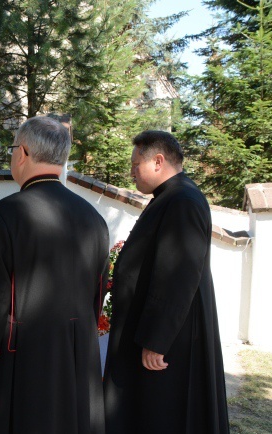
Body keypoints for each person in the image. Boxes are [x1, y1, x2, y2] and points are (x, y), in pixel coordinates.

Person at [0, 116, 109, 434]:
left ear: (21, 153)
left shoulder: (5, 215)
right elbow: (96, 300)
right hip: (77, 360)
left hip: (23, 364)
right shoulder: (95, 220)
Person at [103, 130, 230, 434]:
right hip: (152, 333)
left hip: (167, 342)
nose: (131, 173)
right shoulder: (171, 197)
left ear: (158, 161)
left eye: (136, 165)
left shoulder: (182, 200)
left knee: (164, 413)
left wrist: (156, 339)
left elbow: (178, 274)